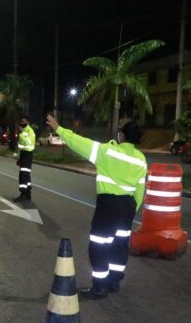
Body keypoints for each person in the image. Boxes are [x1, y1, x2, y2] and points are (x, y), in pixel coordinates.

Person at [46, 114, 147, 299]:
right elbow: (141, 189)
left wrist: (59, 129)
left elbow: (78, 142)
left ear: (122, 136)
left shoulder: (106, 151)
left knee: (99, 244)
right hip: (128, 206)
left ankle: (99, 286)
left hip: (109, 204)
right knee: (120, 244)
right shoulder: (141, 159)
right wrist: (133, 208)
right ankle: (114, 281)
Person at [13, 115, 36, 202]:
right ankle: (28, 194)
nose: (22, 123)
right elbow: (20, 146)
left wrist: (21, 134)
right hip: (23, 155)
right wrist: (18, 157)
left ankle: (23, 194)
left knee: (23, 175)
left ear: (27, 122)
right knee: (26, 175)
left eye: (23, 121)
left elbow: (27, 143)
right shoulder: (24, 131)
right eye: (21, 121)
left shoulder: (29, 131)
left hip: (28, 155)